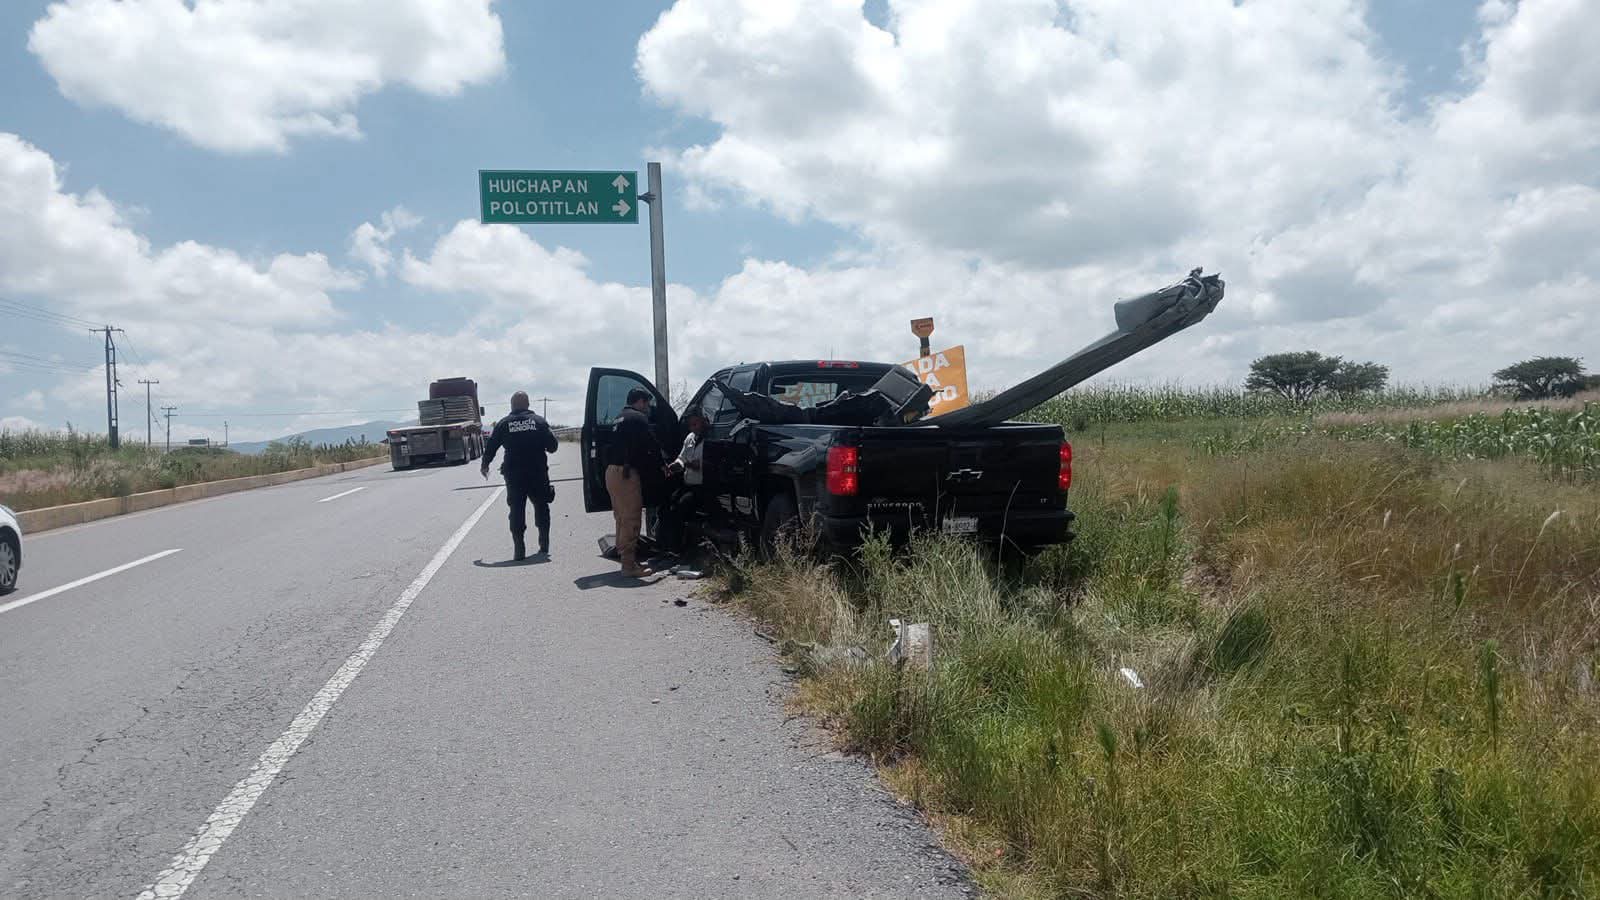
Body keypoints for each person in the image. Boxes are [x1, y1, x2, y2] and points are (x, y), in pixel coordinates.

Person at [481, 391, 559, 560]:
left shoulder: (503, 423)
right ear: (528, 404)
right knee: (542, 506)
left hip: (514, 474)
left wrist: (485, 464)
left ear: (512, 405)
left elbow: (491, 446)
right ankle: (544, 544)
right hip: (537, 472)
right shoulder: (539, 422)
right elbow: (553, 446)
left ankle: (519, 548)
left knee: (516, 509)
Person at [606, 388, 666, 578]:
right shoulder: (638, 418)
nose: (647, 407)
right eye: (646, 403)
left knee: (621, 517)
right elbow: (652, 445)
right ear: (640, 401)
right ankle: (629, 565)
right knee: (631, 518)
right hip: (626, 473)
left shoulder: (618, 418)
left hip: (612, 472)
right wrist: (663, 466)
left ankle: (626, 558)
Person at [661, 407, 709, 552]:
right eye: (690, 425)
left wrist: (689, 464)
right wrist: (675, 465)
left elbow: (702, 465)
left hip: (703, 487)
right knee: (666, 504)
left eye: (696, 424)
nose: (693, 428)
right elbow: (682, 458)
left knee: (681, 506)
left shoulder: (710, 439)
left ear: (703, 421)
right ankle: (666, 545)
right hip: (688, 483)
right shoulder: (689, 438)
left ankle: (680, 549)